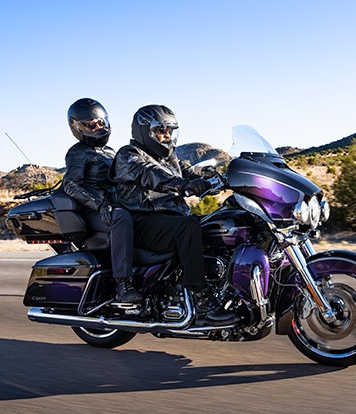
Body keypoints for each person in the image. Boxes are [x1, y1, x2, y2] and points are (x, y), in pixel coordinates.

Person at [110, 104, 234, 326]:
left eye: (170, 130)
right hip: (143, 221)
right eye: (161, 130)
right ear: (144, 131)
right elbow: (152, 174)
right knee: (189, 227)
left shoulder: (170, 157)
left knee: (219, 225)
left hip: (167, 220)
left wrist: (217, 176)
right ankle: (202, 301)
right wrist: (183, 185)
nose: (166, 135)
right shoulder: (128, 156)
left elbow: (188, 171)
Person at [62, 97, 142, 305]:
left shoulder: (110, 152)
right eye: (91, 125)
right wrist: (99, 205)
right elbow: (72, 185)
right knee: (122, 218)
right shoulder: (78, 153)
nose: (98, 128)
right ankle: (123, 284)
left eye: (101, 122)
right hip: (94, 210)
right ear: (77, 127)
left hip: (114, 205)